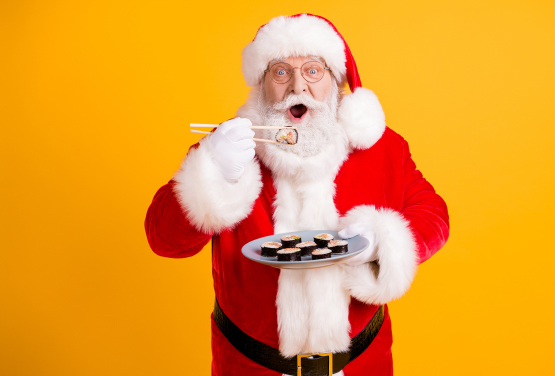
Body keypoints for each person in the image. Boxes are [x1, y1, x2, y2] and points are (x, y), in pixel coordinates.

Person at [145, 13, 449, 376]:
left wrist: (381, 241)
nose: (297, 87)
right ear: (262, 84)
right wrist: (212, 171)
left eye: (313, 70)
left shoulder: (384, 148)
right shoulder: (229, 151)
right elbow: (162, 240)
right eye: (280, 72)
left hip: (362, 362)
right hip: (250, 366)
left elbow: (434, 214)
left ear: (337, 82)